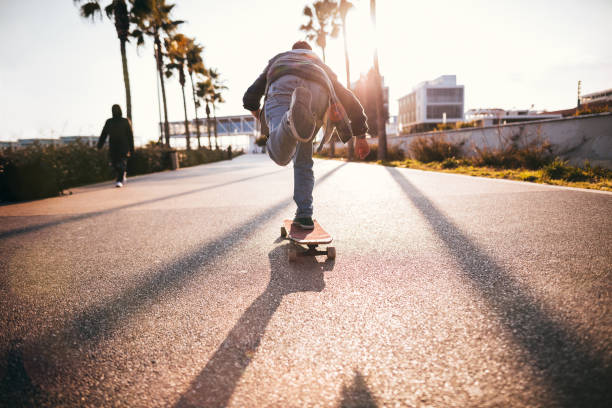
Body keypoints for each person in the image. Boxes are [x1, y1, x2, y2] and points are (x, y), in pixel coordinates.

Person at [243, 41, 370, 229]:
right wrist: (361, 135)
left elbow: (250, 96)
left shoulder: (279, 60)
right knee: (303, 161)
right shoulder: (318, 64)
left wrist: (256, 110)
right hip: (316, 92)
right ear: (310, 52)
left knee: (280, 156)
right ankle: (304, 215)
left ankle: (288, 119)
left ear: (292, 50)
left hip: (282, 89)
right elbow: (348, 97)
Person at [97, 104, 134, 188]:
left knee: (121, 163)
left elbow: (130, 136)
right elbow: (104, 134)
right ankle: (121, 174)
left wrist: (132, 149)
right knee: (114, 163)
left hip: (124, 146)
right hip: (113, 146)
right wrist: (99, 145)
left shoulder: (125, 121)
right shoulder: (109, 121)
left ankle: (119, 180)